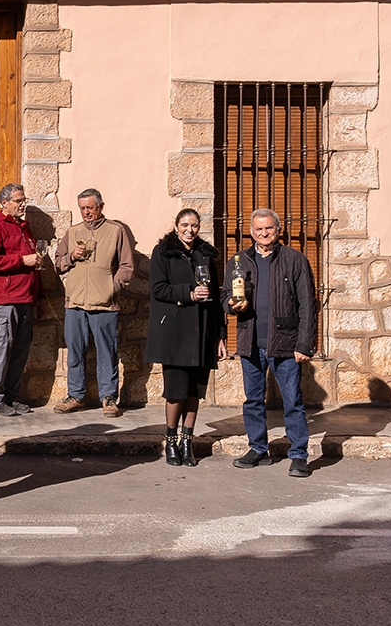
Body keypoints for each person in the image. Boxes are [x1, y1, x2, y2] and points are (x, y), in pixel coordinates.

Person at [224, 208, 318, 478]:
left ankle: (298, 454)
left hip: (286, 344)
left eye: (269, 229)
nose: (263, 233)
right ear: (251, 231)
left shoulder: (295, 259)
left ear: (278, 230)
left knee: (292, 401)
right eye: (258, 229)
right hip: (250, 342)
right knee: (253, 400)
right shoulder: (239, 261)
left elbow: (307, 306)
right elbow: (225, 296)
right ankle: (257, 449)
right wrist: (231, 305)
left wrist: (304, 344)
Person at [144, 209, 227, 467]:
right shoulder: (163, 252)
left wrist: (220, 336)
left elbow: (215, 298)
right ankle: (170, 440)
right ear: (176, 226)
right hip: (175, 332)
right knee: (176, 391)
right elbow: (158, 289)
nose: (189, 230)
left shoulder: (206, 255)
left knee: (194, 392)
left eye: (194, 225)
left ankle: (187, 440)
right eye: (184, 225)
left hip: (202, 331)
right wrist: (189, 293)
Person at [54, 188, 135, 418]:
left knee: (107, 352)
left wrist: (112, 287)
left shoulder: (116, 231)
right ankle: (76, 395)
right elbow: (58, 264)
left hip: (105, 304)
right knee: (75, 352)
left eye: (90, 207)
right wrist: (71, 257)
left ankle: (109, 398)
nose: (86, 212)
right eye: (82, 208)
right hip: (75, 303)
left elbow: (127, 267)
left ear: (101, 206)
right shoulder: (72, 232)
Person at [0, 183, 43, 416]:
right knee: (1, 351)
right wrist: (22, 260)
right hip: (4, 300)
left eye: (23, 199)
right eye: (18, 200)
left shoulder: (25, 228)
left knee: (20, 352)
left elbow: (34, 265)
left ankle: (11, 396)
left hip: (25, 299)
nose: (23, 203)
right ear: (4, 203)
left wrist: (39, 297)